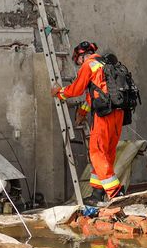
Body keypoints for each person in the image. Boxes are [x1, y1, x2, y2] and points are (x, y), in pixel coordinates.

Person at [51, 41, 124, 202]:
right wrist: (83, 111)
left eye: (77, 61)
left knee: (96, 153)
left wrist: (59, 93)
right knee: (107, 153)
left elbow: (77, 89)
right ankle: (98, 193)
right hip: (118, 114)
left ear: (81, 56)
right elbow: (96, 93)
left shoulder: (89, 65)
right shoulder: (107, 63)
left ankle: (116, 192)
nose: (78, 65)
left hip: (103, 115)